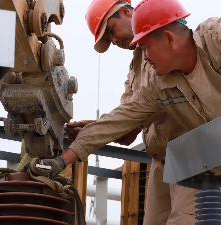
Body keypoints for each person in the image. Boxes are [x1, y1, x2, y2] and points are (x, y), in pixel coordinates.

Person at [27, 0, 221, 224]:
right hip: (204, 162)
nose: (145, 57)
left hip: (217, 154)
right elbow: (122, 120)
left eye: (146, 48)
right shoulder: (155, 82)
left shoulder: (219, 34)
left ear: (169, 38)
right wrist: (63, 160)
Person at [68, 0, 198, 224]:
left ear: (127, 12)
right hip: (162, 160)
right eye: (109, 39)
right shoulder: (135, 70)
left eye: (111, 31)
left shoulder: (171, 39)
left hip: (191, 150)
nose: (115, 40)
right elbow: (127, 130)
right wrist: (90, 130)